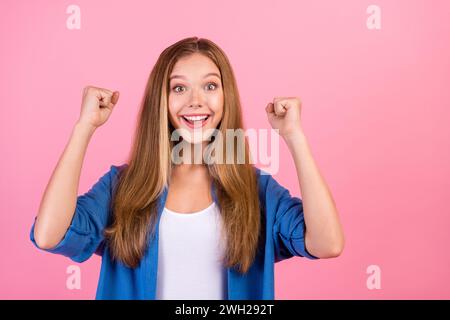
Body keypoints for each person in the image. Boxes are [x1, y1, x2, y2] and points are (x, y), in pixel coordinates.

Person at [29, 36, 345, 300]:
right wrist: (84, 127)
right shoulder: (122, 186)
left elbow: (327, 243)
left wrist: (295, 137)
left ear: (226, 96)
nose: (196, 101)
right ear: (161, 101)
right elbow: (49, 235)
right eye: (179, 88)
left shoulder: (258, 191)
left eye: (210, 86)